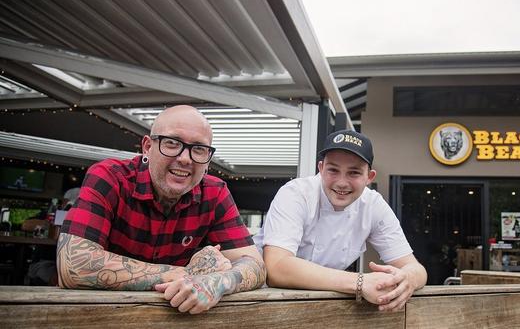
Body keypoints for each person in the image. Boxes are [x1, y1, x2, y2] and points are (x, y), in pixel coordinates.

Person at [57, 105, 265, 314]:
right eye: (172, 143)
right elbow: (73, 265)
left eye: (199, 149)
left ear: (208, 159)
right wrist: (189, 274)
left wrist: (219, 281)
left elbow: (255, 265)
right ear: (147, 147)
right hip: (96, 315)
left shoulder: (215, 193)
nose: (185, 158)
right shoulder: (110, 178)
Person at [254, 130, 427, 311]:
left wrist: (407, 279)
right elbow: (276, 267)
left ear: (369, 177)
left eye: (353, 173)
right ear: (321, 169)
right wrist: (360, 282)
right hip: (265, 302)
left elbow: (415, 268)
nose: (342, 182)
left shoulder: (373, 205)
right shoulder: (296, 194)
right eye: (333, 170)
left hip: (324, 304)